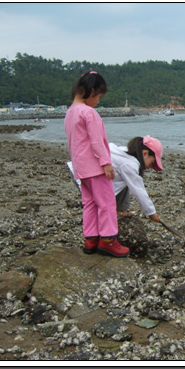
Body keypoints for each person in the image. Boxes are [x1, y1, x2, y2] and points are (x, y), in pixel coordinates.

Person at [64, 71, 129, 258]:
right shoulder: (88, 112)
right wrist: (106, 163)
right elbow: (96, 141)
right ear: (91, 91)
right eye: (99, 97)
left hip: (80, 167)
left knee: (89, 203)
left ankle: (91, 238)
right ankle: (108, 240)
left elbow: (74, 142)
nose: (98, 101)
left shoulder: (70, 113)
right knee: (107, 203)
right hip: (95, 167)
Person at [110, 136, 163, 222]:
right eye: (152, 163)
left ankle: (119, 210)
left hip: (85, 175)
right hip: (94, 184)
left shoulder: (123, 152)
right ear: (145, 153)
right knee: (129, 181)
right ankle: (118, 211)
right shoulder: (130, 164)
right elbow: (138, 190)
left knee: (126, 179)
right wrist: (151, 212)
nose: (150, 167)